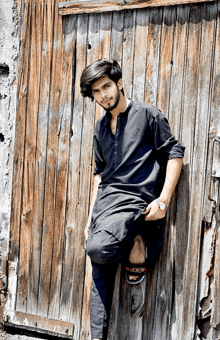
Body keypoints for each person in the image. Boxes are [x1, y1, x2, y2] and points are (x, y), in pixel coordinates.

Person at [80, 59, 185, 340]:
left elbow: (175, 154)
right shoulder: (100, 129)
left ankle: (141, 239)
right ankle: (96, 337)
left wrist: (163, 200)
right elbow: (99, 175)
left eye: (106, 86)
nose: (103, 95)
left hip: (137, 200)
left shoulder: (148, 115)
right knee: (98, 272)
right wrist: (91, 218)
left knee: (98, 248)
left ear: (119, 83)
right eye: (97, 92)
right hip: (107, 204)